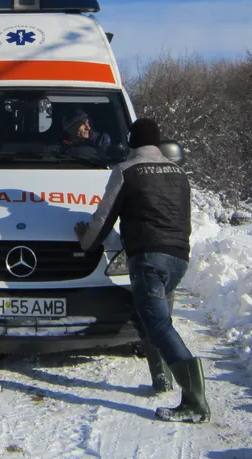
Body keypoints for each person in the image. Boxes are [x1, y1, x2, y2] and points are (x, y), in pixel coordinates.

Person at [74, 117, 208, 423]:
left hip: (149, 258)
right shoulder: (178, 172)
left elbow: (104, 217)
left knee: (158, 323)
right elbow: (183, 218)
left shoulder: (127, 171)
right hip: (178, 258)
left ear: (132, 142)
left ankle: (195, 399)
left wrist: (86, 244)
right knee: (150, 316)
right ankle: (162, 378)